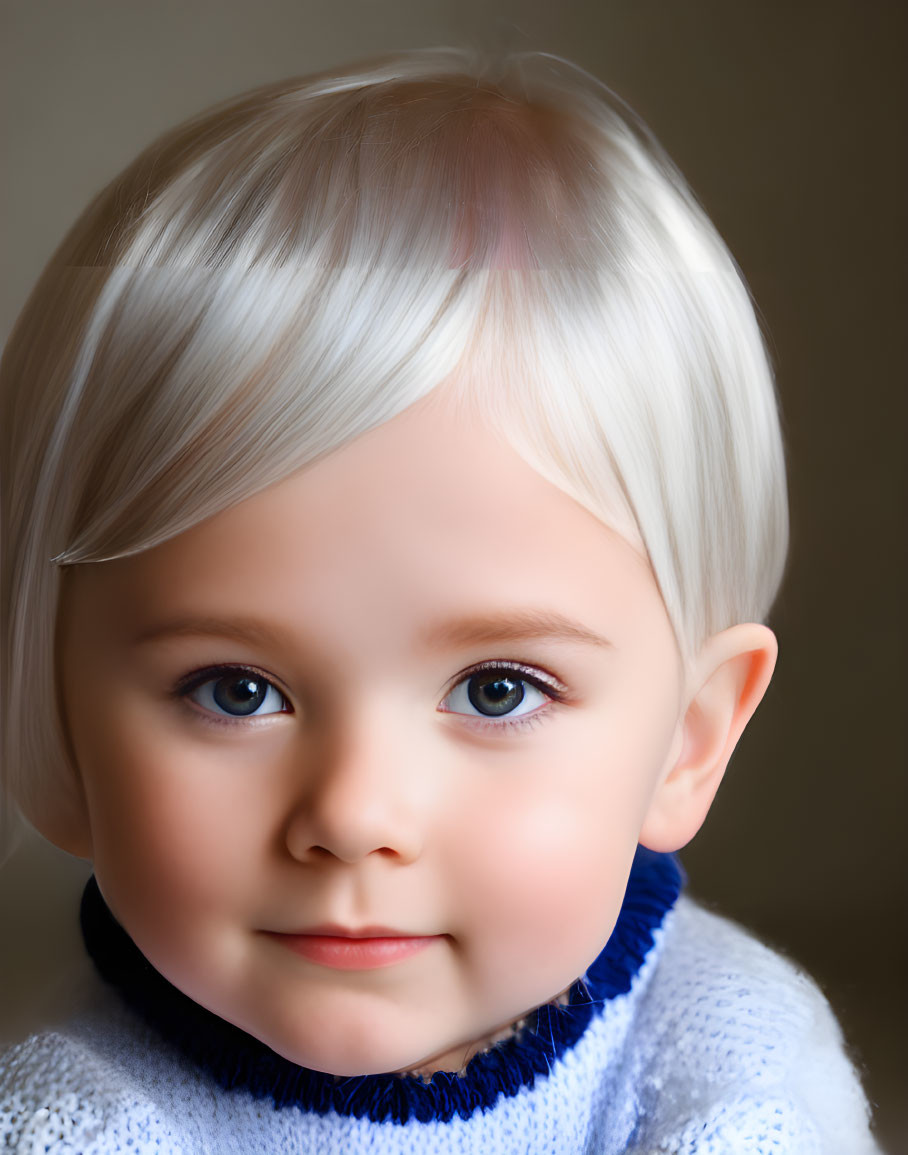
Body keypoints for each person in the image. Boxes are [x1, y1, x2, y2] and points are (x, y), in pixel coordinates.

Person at [0, 48, 879, 1154]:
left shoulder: (730, 1077)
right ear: (52, 717)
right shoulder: (78, 1123)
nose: (355, 815)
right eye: (235, 690)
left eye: (497, 688)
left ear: (687, 741)